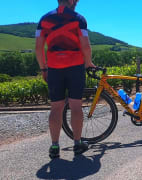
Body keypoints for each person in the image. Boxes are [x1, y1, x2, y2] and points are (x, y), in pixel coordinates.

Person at [35, 0, 95, 159]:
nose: (77, 2)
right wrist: (88, 63)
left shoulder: (44, 19)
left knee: (56, 107)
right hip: (75, 66)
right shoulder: (79, 19)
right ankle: (77, 144)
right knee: (76, 105)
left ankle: (54, 146)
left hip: (54, 68)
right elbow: (86, 45)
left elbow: (38, 47)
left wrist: (43, 68)